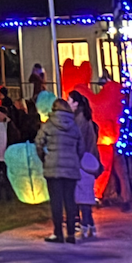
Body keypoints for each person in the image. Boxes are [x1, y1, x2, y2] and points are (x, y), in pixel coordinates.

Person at [35, 97, 84, 243]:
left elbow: (38, 143)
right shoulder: (74, 126)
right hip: (71, 168)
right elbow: (81, 147)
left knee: (56, 201)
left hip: (53, 167)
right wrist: (75, 159)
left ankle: (58, 233)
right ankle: (71, 234)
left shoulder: (48, 125)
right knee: (70, 200)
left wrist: (44, 158)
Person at [69, 90, 101, 237]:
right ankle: (89, 225)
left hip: (82, 162)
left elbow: (79, 141)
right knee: (85, 195)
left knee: (82, 196)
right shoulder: (83, 118)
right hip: (88, 161)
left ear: (76, 103)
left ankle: (85, 225)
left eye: (69, 100)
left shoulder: (79, 119)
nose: (67, 103)